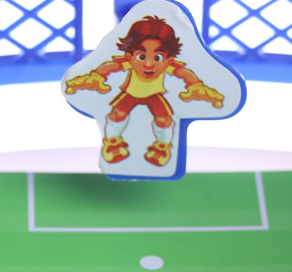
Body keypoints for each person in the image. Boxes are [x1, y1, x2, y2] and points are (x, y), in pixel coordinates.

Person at [65, 14, 224, 166]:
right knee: (117, 114)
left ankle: (162, 146)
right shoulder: (128, 62)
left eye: (157, 58)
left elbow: (183, 73)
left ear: (169, 60)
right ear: (130, 56)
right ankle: (113, 142)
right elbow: (111, 66)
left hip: (154, 95)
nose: (148, 64)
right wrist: (96, 77)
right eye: (141, 56)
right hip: (130, 94)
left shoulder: (168, 65)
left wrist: (195, 86)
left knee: (164, 119)